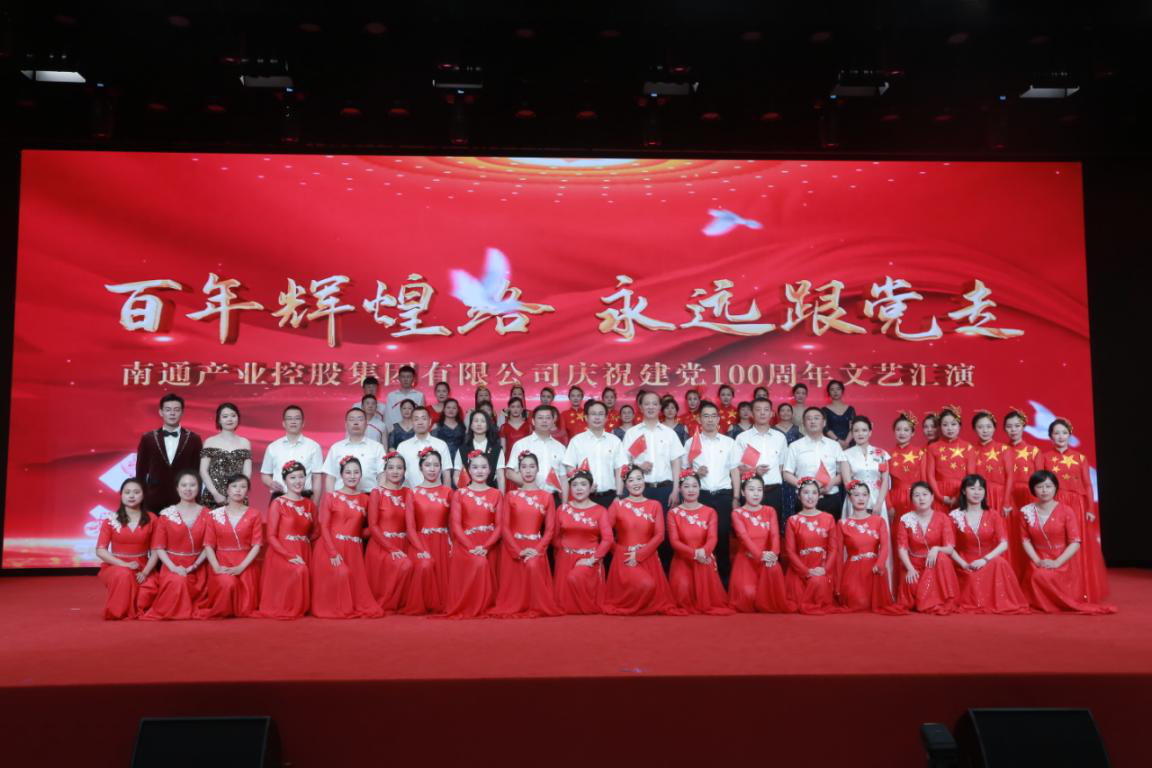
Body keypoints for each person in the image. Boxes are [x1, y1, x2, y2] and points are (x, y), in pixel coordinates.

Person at [1018, 470, 1115, 614]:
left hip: (1063, 560)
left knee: (1044, 576)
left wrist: (1057, 562)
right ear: (1033, 489)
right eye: (1039, 486)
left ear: (1055, 488)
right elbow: (1025, 540)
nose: (1044, 490)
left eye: (1048, 486)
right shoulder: (1026, 511)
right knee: (1037, 575)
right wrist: (1037, 561)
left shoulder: (1066, 511)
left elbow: (1075, 541)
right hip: (1038, 558)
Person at [1039, 418, 1107, 603]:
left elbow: (1088, 485)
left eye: (1064, 433)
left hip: (1077, 505)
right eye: (1056, 433)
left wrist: (1090, 508)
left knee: (1076, 544)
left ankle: (1080, 589)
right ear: (1050, 436)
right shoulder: (1044, 457)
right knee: (1058, 543)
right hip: (1054, 504)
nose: (1060, 436)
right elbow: (1040, 485)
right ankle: (1058, 588)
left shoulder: (1079, 458)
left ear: (1069, 435)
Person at [603, 465, 681, 616]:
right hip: (625, 557)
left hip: (648, 556)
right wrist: (618, 552)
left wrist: (640, 554)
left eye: (639, 478)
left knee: (650, 588)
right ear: (625, 484)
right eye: (631, 480)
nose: (636, 483)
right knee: (646, 584)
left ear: (644, 480)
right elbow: (606, 534)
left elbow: (660, 535)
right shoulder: (617, 505)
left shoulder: (655, 505)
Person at [311, 457, 383, 619]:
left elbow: (370, 527)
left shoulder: (366, 499)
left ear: (361, 475)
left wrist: (361, 535)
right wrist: (332, 553)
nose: (352, 476)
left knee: (355, 587)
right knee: (342, 574)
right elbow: (324, 527)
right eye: (348, 472)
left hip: (353, 550)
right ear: (341, 475)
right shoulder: (331, 497)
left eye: (356, 472)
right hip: (330, 547)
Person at [491, 452, 561, 618]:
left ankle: (535, 603)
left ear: (538, 469)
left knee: (533, 565)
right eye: (524, 467)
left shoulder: (547, 497)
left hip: (536, 546)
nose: (528, 471)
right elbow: (505, 527)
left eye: (532, 466)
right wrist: (517, 550)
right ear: (519, 471)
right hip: (513, 547)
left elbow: (550, 530)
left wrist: (537, 549)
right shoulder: (511, 496)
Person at [620, 391, 687, 566]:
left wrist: (676, 490)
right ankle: (642, 569)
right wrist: (638, 467)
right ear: (640, 407)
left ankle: (664, 572)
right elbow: (624, 464)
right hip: (640, 491)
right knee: (640, 532)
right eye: (647, 404)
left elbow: (676, 463)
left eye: (654, 404)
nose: (650, 407)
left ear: (659, 408)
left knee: (664, 533)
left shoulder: (669, 433)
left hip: (665, 490)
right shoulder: (632, 433)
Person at [948, 474, 1029, 614]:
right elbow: (949, 546)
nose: (977, 492)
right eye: (972, 488)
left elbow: (1004, 543)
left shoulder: (993, 514)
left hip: (989, 560)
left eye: (980, 489)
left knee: (1000, 562)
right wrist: (963, 564)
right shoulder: (954, 516)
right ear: (964, 491)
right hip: (966, 562)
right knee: (971, 580)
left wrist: (985, 560)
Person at [141, 471, 210, 620]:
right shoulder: (166, 515)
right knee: (178, 581)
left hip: (200, 566)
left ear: (199, 487)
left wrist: (194, 566)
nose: (188, 489)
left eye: (192, 485)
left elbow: (209, 546)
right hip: (172, 565)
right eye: (184, 485)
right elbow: (159, 547)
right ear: (177, 488)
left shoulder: (207, 514)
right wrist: (173, 568)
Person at [444, 452, 504, 618]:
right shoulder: (459, 494)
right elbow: (455, 525)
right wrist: (471, 547)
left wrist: (486, 547)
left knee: (485, 564)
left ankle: (486, 603)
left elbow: (500, 526)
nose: (479, 471)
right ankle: (471, 603)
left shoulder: (497, 494)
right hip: (466, 544)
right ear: (468, 470)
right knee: (477, 563)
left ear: (490, 470)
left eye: (484, 467)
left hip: (489, 544)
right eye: (475, 467)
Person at [667, 471, 733, 615]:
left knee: (706, 597)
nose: (691, 490)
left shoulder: (710, 512)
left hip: (705, 558)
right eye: (686, 486)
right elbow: (674, 541)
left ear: (699, 488)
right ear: (680, 489)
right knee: (683, 592)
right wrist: (695, 553)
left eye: (694, 486)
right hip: (683, 559)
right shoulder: (673, 513)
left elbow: (712, 538)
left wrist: (704, 551)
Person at [197, 474, 263, 618]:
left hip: (246, 563)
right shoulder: (214, 515)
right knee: (227, 583)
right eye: (234, 486)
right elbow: (208, 544)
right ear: (227, 489)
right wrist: (217, 568)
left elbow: (257, 544)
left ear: (247, 491)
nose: (238, 490)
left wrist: (241, 567)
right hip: (222, 561)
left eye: (243, 486)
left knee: (246, 607)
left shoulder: (255, 514)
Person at [257, 461, 316, 619]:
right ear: (285, 480)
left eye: (301, 477)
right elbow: (270, 536)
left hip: (303, 550)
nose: (298, 481)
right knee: (299, 570)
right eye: (292, 477)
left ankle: (300, 606)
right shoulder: (278, 503)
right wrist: (289, 555)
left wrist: (304, 541)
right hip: (282, 552)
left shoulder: (310, 505)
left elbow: (316, 531)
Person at [688, 401, 738, 584]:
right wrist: (695, 473)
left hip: (724, 495)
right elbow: (684, 472)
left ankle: (724, 581)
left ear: (718, 419)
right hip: (700, 497)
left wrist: (736, 497)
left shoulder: (729, 442)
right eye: (706, 416)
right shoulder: (691, 443)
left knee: (722, 537)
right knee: (700, 538)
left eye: (713, 416)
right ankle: (702, 580)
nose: (709, 420)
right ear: (699, 419)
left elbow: (735, 471)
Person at [95, 478, 159, 619]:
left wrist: (145, 572)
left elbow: (156, 551)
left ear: (143, 495)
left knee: (144, 598)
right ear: (121, 495)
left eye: (136, 492)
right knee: (124, 575)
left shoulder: (152, 519)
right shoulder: (110, 519)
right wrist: (125, 565)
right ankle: (118, 611)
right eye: (127, 492)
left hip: (143, 567)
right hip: (116, 566)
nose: (131, 496)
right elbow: (100, 550)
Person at [837, 481, 903, 614]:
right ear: (849, 498)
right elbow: (838, 555)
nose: (861, 498)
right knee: (858, 603)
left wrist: (880, 564)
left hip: (874, 569)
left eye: (864, 495)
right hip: (853, 571)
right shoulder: (842, 524)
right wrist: (837, 584)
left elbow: (885, 546)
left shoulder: (879, 521)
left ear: (869, 497)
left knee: (871, 604)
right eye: (856, 495)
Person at [552, 470, 613, 614]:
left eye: (583, 484)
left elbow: (608, 539)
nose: (579, 488)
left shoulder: (600, 511)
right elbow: (554, 537)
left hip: (589, 560)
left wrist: (592, 559)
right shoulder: (562, 509)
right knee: (563, 607)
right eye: (575, 485)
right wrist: (564, 553)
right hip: (565, 559)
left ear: (591, 487)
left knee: (576, 579)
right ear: (570, 488)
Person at [728, 474, 789, 613]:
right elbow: (744, 538)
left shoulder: (770, 511)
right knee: (749, 596)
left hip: (768, 560)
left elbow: (775, 535)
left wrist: (774, 554)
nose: (756, 493)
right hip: (747, 560)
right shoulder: (737, 513)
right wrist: (761, 555)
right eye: (751, 489)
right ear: (743, 492)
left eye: (759, 489)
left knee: (770, 596)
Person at [402, 448, 453, 615]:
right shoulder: (413, 492)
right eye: (427, 465)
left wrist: (453, 544)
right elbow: (410, 527)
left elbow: (453, 523)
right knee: (424, 565)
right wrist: (420, 549)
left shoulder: (448, 492)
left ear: (441, 467)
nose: (432, 469)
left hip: (442, 542)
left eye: (436, 465)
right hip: (420, 543)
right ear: (420, 467)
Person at [895, 482, 958, 614]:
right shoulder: (906, 519)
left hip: (936, 565)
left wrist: (936, 549)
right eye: (917, 495)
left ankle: (940, 599)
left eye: (925, 494)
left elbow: (950, 548)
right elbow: (902, 548)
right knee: (912, 587)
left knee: (942, 557)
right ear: (911, 499)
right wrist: (910, 569)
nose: (921, 498)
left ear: (932, 497)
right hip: (914, 565)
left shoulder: (943, 518)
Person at [135, 393, 204, 513]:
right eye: (168, 410)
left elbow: (197, 472)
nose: (172, 413)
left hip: (184, 499)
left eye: (176, 410)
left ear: (182, 412)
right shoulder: (148, 438)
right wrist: (140, 500)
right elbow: (140, 472)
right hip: (153, 499)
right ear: (161, 412)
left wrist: (196, 500)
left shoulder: (194, 439)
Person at [364, 452, 414, 613]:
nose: (395, 471)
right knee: (404, 565)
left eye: (399, 468)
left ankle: (398, 603)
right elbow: (373, 526)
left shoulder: (408, 493)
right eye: (391, 467)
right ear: (384, 470)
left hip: (403, 543)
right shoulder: (376, 493)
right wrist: (391, 548)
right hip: (382, 545)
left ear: (405, 471)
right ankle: (387, 603)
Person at [781, 407, 850, 522]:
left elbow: (842, 473)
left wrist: (831, 484)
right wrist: (805, 486)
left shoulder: (834, 445)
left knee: (831, 532)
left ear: (824, 422)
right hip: (804, 499)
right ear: (804, 424)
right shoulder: (795, 446)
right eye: (809, 419)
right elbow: (786, 474)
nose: (812, 421)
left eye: (816, 418)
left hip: (830, 498)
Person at [783, 478, 841, 614]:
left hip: (822, 567)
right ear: (799, 496)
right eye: (806, 492)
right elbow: (790, 551)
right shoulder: (793, 520)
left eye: (814, 493)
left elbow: (833, 549)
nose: (810, 497)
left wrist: (825, 569)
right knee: (799, 601)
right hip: (800, 570)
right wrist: (806, 571)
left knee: (818, 583)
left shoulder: (828, 518)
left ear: (819, 495)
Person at [969, 411, 1017, 572]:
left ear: (995, 428)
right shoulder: (971, 450)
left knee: (1001, 536)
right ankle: (984, 571)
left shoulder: (1004, 449)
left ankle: (1003, 573)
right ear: (974, 429)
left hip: (1000, 497)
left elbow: (1010, 476)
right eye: (980, 427)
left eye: (989, 427)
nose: (985, 430)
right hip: (979, 497)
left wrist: (1006, 502)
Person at [731, 397, 789, 521]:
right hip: (750, 491)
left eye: (766, 410)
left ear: (771, 413)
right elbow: (736, 468)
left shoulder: (780, 437)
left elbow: (782, 467)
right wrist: (754, 471)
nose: (762, 413)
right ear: (752, 413)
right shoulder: (742, 438)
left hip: (774, 491)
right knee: (750, 528)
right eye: (758, 410)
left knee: (774, 528)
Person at [563, 400, 624, 509]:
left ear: (606, 418)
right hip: (584, 497)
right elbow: (569, 467)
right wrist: (582, 485)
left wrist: (619, 495)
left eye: (600, 414)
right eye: (593, 414)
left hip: (610, 497)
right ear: (586, 417)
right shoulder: (577, 441)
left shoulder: (615, 441)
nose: (597, 417)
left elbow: (620, 468)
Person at [501, 406, 569, 502]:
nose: (544, 421)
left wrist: (564, 504)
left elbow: (563, 478)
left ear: (553, 421)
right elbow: (509, 473)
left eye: (548, 418)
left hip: (553, 498)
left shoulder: (560, 447)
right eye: (540, 418)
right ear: (533, 421)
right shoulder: (521, 444)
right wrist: (530, 485)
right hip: (528, 497)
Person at [1004, 407, 1041, 579]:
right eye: (1009, 426)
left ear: (1024, 426)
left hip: (1028, 497)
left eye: (1017, 426)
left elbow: (1040, 480)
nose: (1013, 430)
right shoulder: (1001, 450)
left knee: (1029, 535)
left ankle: (1031, 576)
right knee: (1012, 536)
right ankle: (1013, 576)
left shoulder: (1034, 451)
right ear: (1004, 429)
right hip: (1008, 497)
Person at [259, 405, 324, 499]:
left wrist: (315, 503)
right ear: (283, 423)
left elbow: (317, 478)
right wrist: (271, 483)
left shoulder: (314, 447)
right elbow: (265, 474)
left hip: (304, 498)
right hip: (279, 498)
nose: (293, 422)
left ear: (303, 423)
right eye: (289, 419)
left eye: (297, 418)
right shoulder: (273, 447)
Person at [199, 402, 252, 508]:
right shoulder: (210, 441)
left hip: (237, 496)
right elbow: (203, 471)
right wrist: (215, 494)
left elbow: (247, 472)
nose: (229, 419)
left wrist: (240, 490)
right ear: (219, 420)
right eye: (225, 416)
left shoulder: (245, 442)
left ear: (238, 418)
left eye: (233, 416)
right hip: (213, 497)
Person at [322, 407, 386, 493]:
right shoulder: (336, 448)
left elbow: (382, 475)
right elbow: (330, 477)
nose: (356, 423)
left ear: (366, 424)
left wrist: (379, 496)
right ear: (346, 425)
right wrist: (331, 498)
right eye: (352, 420)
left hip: (369, 495)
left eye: (360, 419)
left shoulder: (377, 447)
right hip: (341, 497)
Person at [925, 406, 975, 512]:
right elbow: (930, 475)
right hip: (938, 493)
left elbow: (970, 476)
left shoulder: (968, 447)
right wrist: (940, 497)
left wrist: (958, 496)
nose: (949, 428)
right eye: (945, 425)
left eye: (953, 424)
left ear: (959, 426)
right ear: (940, 427)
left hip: (962, 493)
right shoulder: (932, 447)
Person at [841, 416, 890, 519]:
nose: (860, 434)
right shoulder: (846, 454)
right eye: (856, 431)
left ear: (870, 432)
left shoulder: (881, 454)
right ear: (852, 433)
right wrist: (857, 500)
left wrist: (879, 503)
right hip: (855, 500)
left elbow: (885, 480)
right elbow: (847, 481)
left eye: (864, 430)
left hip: (877, 499)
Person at [396, 406, 451, 487]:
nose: (420, 422)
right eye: (416, 419)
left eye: (424, 418)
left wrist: (447, 494)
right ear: (412, 422)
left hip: (435, 493)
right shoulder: (402, 446)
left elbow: (446, 474)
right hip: (410, 492)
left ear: (430, 421)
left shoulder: (441, 444)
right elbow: (397, 474)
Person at [889, 412, 926, 522]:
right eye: (898, 429)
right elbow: (884, 483)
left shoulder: (920, 453)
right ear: (894, 431)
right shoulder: (888, 455)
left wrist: (924, 499)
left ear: (912, 433)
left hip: (917, 497)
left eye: (906, 430)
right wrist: (889, 506)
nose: (902, 433)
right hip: (895, 499)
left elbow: (924, 480)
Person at [457, 411, 503, 491]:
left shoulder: (497, 449)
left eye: (482, 421)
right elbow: (456, 475)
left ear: (488, 425)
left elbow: (500, 476)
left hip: (491, 491)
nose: (479, 424)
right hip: (468, 492)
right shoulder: (462, 449)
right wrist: (463, 491)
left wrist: (501, 496)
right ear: (471, 425)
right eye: (476, 421)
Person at [382, 366, 424, 433]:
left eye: (408, 377)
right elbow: (387, 417)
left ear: (413, 378)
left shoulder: (419, 395)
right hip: (395, 432)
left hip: (413, 431)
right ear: (399, 378)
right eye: (403, 377)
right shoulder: (391, 396)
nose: (405, 379)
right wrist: (389, 433)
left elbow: (421, 416)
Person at [821, 380, 856, 450]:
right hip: (831, 445)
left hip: (849, 445)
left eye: (838, 389)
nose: (835, 392)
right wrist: (838, 441)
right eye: (832, 389)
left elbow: (854, 427)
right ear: (828, 392)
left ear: (842, 391)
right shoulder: (824, 410)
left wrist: (846, 442)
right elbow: (825, 428)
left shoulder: (850, 409)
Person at [432, 398, 466, 467]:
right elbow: (433, 445)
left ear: (457, 410)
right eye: (448, 407)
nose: (451, 410)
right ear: (444, 409)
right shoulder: (436, 426)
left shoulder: (462, 426)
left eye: (454, 408)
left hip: (460, 461)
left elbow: (465, 445)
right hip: (442, 460)